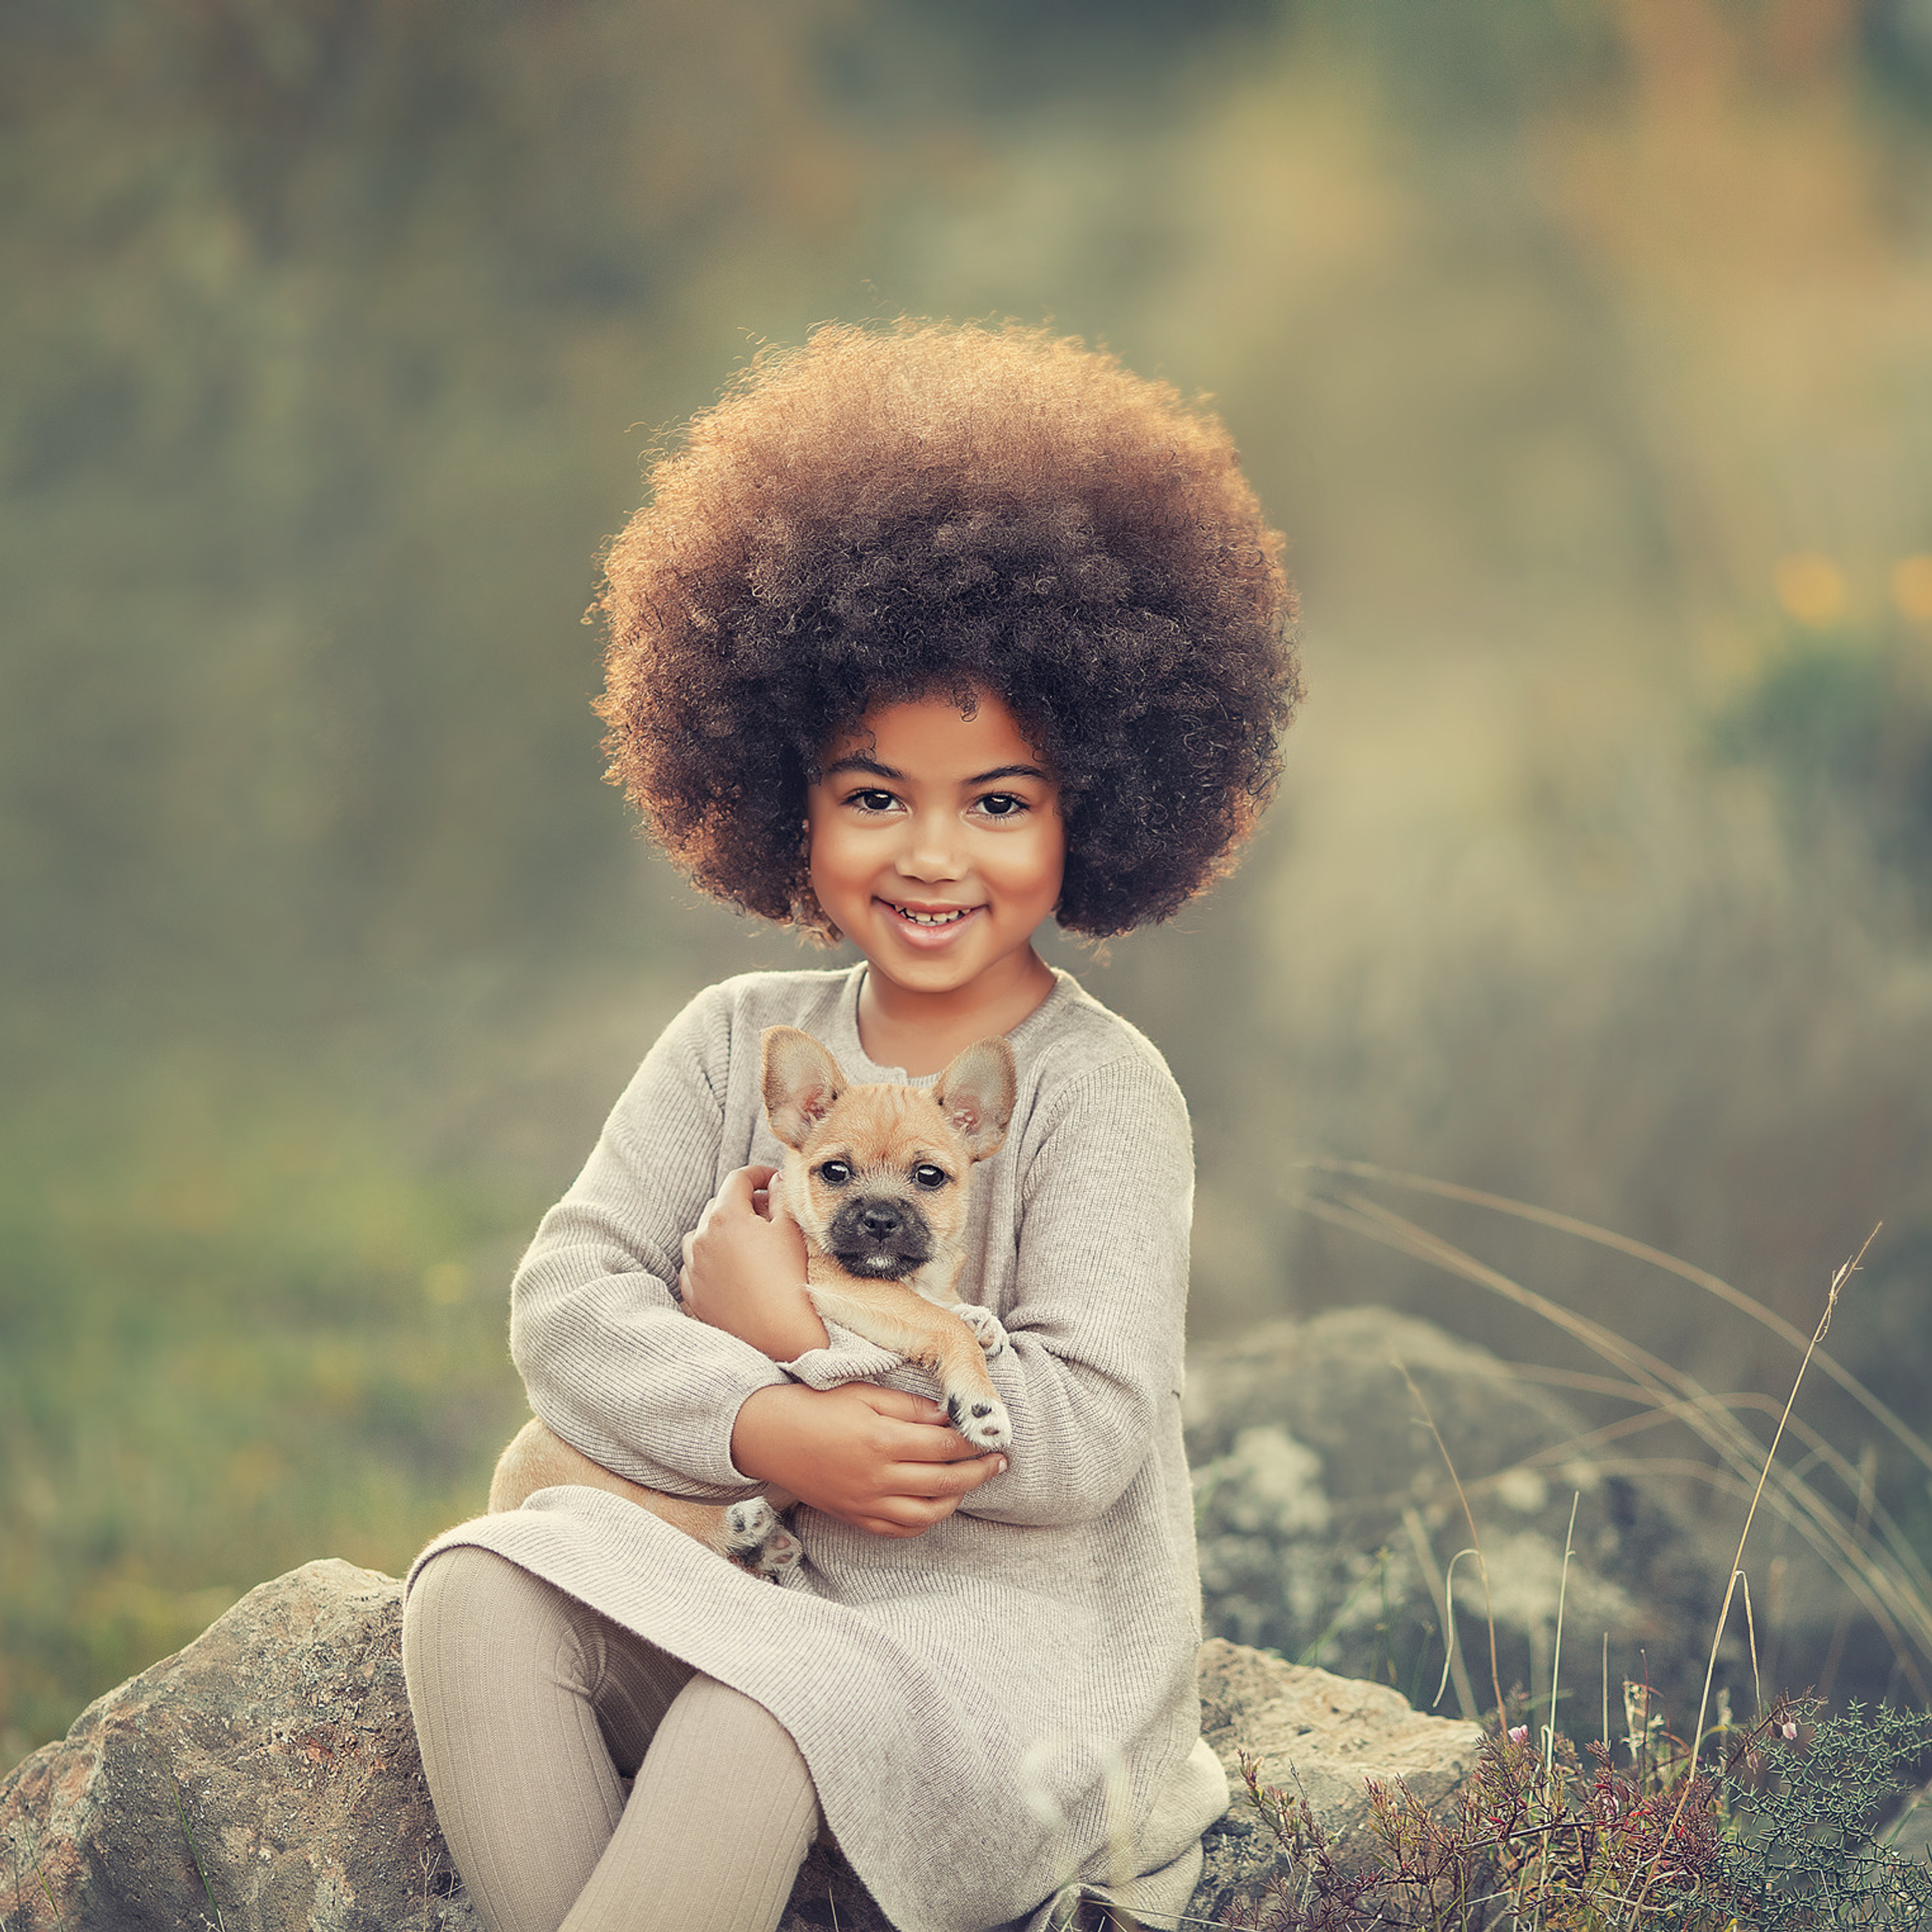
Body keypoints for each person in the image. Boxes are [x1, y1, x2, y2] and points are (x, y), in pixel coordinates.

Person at [401, 319, 1302, 1932]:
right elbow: (565, 1297)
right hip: (749, 1575)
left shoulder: (1104, 1092)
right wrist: (764, 1425)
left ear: (1098, 800)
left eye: (1000, 798)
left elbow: (1075, 1438)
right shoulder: (734, 1040)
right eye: (875, 793)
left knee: (760, 1722)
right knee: (469, 1589)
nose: (932, 852)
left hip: (993, 1661)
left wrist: (799, 1325)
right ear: (781, 797)